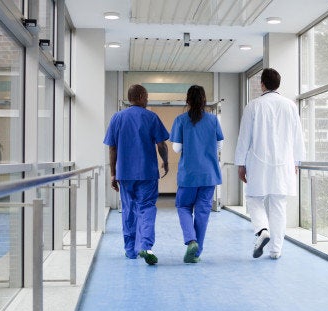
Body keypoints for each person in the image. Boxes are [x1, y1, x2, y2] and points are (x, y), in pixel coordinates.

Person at [234, 68, 305, 260]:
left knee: (254, 199)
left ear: (262, 84)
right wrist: (296, 162)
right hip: (284, 164)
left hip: (258, 162)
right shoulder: (290, 106)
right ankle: (276, 250)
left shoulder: (253, 106)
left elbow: (244, 138)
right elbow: (298, 137)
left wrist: (240, 163)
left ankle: (262, 230)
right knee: (278, 206)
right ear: (278, 84)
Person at [103, 84, 170, 265]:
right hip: (147, 173)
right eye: (146, 96)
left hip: (124, 173)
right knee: (147, 207)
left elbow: (112, 147)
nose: (147, 100)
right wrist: (166, 161)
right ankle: (146, 246)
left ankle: (130, 250)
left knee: (129, 209)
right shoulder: (151, 117)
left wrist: (112, 173)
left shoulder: (117, 118)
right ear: (140, 96)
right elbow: (162, 144)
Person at [170, 85, 224, 263]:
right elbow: (220, 146)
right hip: (209, 175)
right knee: (203, 212)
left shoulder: (180, 120)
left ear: (188, 100)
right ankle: (196, 252)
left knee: (184, 207)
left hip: (189, 175)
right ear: (204, 100)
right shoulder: (213, 120)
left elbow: (177, 148)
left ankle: (191, 240)